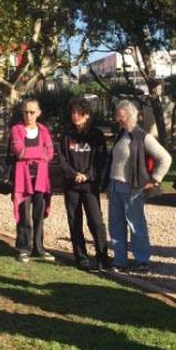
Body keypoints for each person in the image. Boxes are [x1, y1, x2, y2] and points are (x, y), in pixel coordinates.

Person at [104, 100, 172, 274]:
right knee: (116, 226)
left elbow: (165, 158)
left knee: (136, 225)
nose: (118, 117)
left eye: (121, 114)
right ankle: (119, 260)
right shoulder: (121, 135)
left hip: (132, 188)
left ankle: (142, 260)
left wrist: (154, 179)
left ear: (130, 114)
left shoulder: (143, 136)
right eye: (117, 114)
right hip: (114, 187)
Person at [57, 98, 109, 271]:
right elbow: (62, 159)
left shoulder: (96, 135)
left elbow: (101, 160)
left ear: (87, 115)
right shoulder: (66, 135)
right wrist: (74, 175)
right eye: (73, 113)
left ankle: (102, 256)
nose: (75, 116)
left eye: (79, 113)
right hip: (71, 185)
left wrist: (87, 175)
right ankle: (81, 257)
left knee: (96, 222)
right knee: (75, 221)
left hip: (89, 186)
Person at [10, 99, 55, 263]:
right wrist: (39, 153)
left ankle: (38, 247)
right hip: (23, 179)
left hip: (41, 179)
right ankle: (23, 247)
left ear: (38, 113)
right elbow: (19, 152)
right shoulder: (16, 129)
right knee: (24, 215)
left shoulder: (44, 131)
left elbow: (50, 153)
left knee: (39, 214)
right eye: (25, 112)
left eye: (32, 112)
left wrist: (31, 152)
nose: (28, 115)